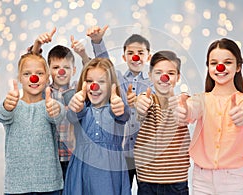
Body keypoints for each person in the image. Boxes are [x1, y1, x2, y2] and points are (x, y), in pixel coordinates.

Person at [173, 38, 243, 195]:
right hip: (201, 178)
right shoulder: (202, 99)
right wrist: (184, 110)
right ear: (209, 67)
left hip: (234, 178)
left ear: (238, 66)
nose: (220, 67)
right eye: (214, 63)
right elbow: (191, 110)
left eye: (227, 62)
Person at [30, 27, 108, 184]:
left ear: (73, 70)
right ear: (48, 71)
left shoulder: (80, 89)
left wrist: (83, 54)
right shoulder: (44, 91)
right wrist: (37, 45)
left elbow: (94, 72)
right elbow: (31, 66)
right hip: (50, 160)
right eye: (56, 68)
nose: (61, 72)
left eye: (66, 68)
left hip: (75, 157)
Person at [90, 29, 154, 189]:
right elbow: (105, 63)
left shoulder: (153, 83)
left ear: (149, 57)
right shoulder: (117, 78)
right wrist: (98, 42)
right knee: (121, 188)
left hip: (145, 153)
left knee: (146, 189)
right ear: (124, 57)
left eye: (141, 52)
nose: (135, 56)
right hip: (122, 152)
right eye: (131, 53)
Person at [0, 53, 65, 194]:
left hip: (49, 186)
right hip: (17, 186)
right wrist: (6, 106)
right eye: (27, 74)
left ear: (47, 78)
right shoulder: (12, 105)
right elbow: (1, 114)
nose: (34, 78)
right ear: (20, 78)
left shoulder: (50, 105)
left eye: (39, 73)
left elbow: (58, 115)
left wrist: (55, 110)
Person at [63, 58, 131, 195]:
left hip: (110, 174)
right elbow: (72, 116)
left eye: (101, 82)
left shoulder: (115, 109)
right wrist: (76, 107)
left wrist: (120, 108)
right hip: (81, 174)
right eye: (89, 81)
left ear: (111, 84)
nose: (94, 86)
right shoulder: (82, 109)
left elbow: (124, 115)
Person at [134, 51, 190, 195]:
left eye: (170, 73)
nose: (164, 78)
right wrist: (140, 104)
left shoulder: (184, 101)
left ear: (177, 77)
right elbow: (141, 107)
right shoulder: (146, 99)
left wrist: (181, 108)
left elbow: (189, 111)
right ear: (150, 75)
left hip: (176, 181)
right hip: (147, 181)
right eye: (158, 72)